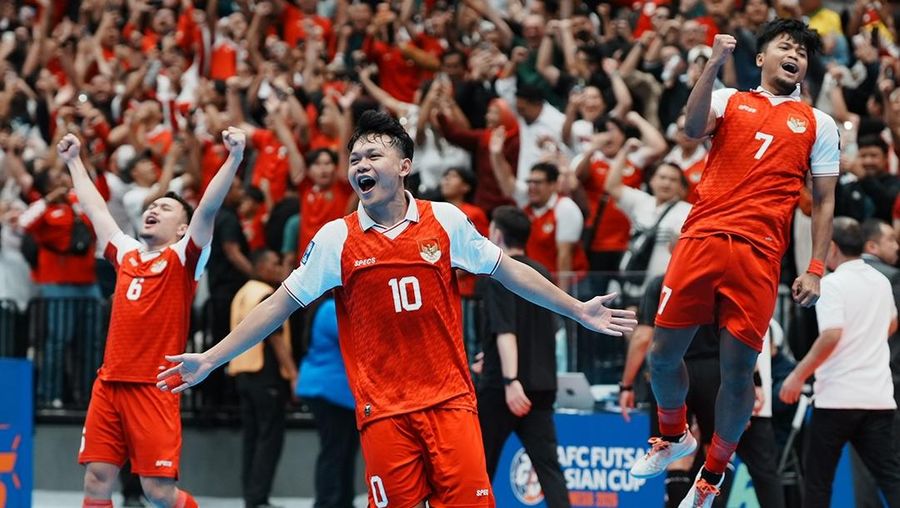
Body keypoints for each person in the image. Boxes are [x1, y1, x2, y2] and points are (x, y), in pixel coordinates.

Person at [157, 110, 636, 508]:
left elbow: (510, 271)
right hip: (384, 412)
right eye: (354, 157)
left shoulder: (445, 221)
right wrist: (211, 358)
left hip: (450, 404)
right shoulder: (336, 238)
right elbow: (277, 305)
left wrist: (576, 309)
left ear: (404, 165)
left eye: (373, 154)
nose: (359, 164)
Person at [629, 19, 840, 508]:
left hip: (761, 254)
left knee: (739, 370)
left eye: (802, 52)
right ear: (760, 58)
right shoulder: (727, 99)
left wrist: (814, 267)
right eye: (785, 47)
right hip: (702, 238)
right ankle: (673, 434)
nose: (795, 56)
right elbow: (689, 127)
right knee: (661, 356)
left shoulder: (817, 123)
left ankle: (713, 472)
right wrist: (713, 65)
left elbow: (825, 201)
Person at [59, 126, 247, 508]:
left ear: (181, 228)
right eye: (151, 207)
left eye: (164, 208)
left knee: (158, 493)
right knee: (96, 479)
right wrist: (74, 161)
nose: (153, 210)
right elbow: (95, 208)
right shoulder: (125, 253)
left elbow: (208, 208)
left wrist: (233, 158)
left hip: (153, 387)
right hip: (109, 384)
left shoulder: (183, 258)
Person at [620, 273, 786, 508]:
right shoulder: (723, 278)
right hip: (714, 371)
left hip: (676, 371)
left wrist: (626, 384)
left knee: (677, 454)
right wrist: (753, 380)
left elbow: (643, 337)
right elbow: (740, 337)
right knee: (714, 455)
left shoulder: (663, 281)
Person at [779, 217, 900, 507]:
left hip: (837, 400)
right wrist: (865, 344)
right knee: (891, 478)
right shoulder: (881, 280)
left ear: (830, 247)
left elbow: (832, 335)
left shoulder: (831, 284)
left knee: (819, 482)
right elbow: (892, 323)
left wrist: (797, 375)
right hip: (878, 398)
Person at [476, 205, 570, 508]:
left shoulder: (498, 272)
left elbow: (507, 332)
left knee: (479, 470)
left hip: (504, 389)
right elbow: (543, 331)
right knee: (549, 470)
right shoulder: (542, 272)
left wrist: (510, 378)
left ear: (497, 235)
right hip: (541, 384)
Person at [226, 248, 297, 508]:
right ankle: (258, 498)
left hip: (242, 374)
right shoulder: (267, 295)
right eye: (275, 262)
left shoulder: (242, 293)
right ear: (260, 267)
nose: (279, 268)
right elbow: (276, 338)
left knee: (252, 438)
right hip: (264, 374)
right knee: (269, 439)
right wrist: (292, 373)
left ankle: (251, 496)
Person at [297, 296, 360, 508]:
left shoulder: (326, 308)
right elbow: (356, 337)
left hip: (337, 392)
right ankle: (327, 503)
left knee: (345, 450)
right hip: (329, 390)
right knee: (335, 450)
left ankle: (343, 501)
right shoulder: (330, 309)